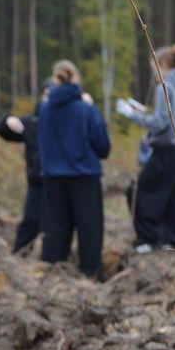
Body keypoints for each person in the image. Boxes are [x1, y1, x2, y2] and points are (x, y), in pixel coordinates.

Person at [117, 44, 175, 255]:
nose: (153, 74)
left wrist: (131, 114)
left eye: (154, 68)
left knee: (141, 191)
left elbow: (160, 123)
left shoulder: (164, 87)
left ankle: (149, 239)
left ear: (162, 65)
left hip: (166, 152)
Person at [37, 60, 110, 280]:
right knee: (90, 230)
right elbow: (103, 147)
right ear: (75, 79)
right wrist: (93, 109)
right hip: (84, 177)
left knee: (55, 229)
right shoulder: (85, 109)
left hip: (52, 177)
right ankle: (91, 275)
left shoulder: (45, 108)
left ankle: (52, 275)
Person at [0, 84, 50, 255]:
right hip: (37, 182)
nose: (48, 99)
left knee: (55, 227)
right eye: (46, 95)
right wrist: (8, 121)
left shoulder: (66, 122)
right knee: (30, 222)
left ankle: (54, 263)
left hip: (59, 182)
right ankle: (19, 256)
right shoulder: (32, 123)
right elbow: (3, 129)